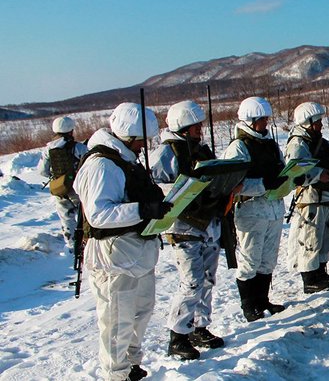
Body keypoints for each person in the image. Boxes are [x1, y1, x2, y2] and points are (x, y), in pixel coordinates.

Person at [74, 102, 171, 381]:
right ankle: (116, 374)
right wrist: (143, 209)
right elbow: (99, 214)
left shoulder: (125, 160)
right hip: (113, 258)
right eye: (142, 139)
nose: (145, 145)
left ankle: (130, 365)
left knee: (140, 313)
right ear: (129, 136)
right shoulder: (102, 165)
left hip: (135, 255)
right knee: (117, 321)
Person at [148, 100, 225, 360]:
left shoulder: (201, 150)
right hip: (184, 226)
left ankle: (200, 326)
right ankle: (177, 335)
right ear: (183, 126)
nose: (200, 129)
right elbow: (159, 190)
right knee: (191, 281)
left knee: (208, 280)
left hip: (208, 222)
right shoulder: (166, 154)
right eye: (196, 126)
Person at [222, 97, 287, 321]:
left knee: (268, 259)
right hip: (251, 212)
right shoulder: (238, 147)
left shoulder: (270, 143)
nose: (266, 123)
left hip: (274, 209)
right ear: (250, 120)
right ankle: (248, 304)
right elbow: (233, 185)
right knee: (250, 260)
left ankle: (263, 299)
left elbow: (281, 168)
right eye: (262, 119)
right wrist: (263, 184)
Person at [286, 102, 329, 293]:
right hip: (311, 198)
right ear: (306, 122)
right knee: (311, 239)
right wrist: (318, 174)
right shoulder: (298, 143)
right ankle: (309, 277)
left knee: (327, 236)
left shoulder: (323, 142)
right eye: (317, 122)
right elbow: (295, 171)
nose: (321, 125)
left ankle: (321, 271)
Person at [38, 116, 88, 250]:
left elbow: (42, 171)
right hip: (77, 186)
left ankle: (71, 245)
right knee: (84, 215)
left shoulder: (48, 149)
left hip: (60, 188)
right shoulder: (79, 148)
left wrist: (56, 178)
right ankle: (86, 240)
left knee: (66, 218)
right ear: (71, 131)